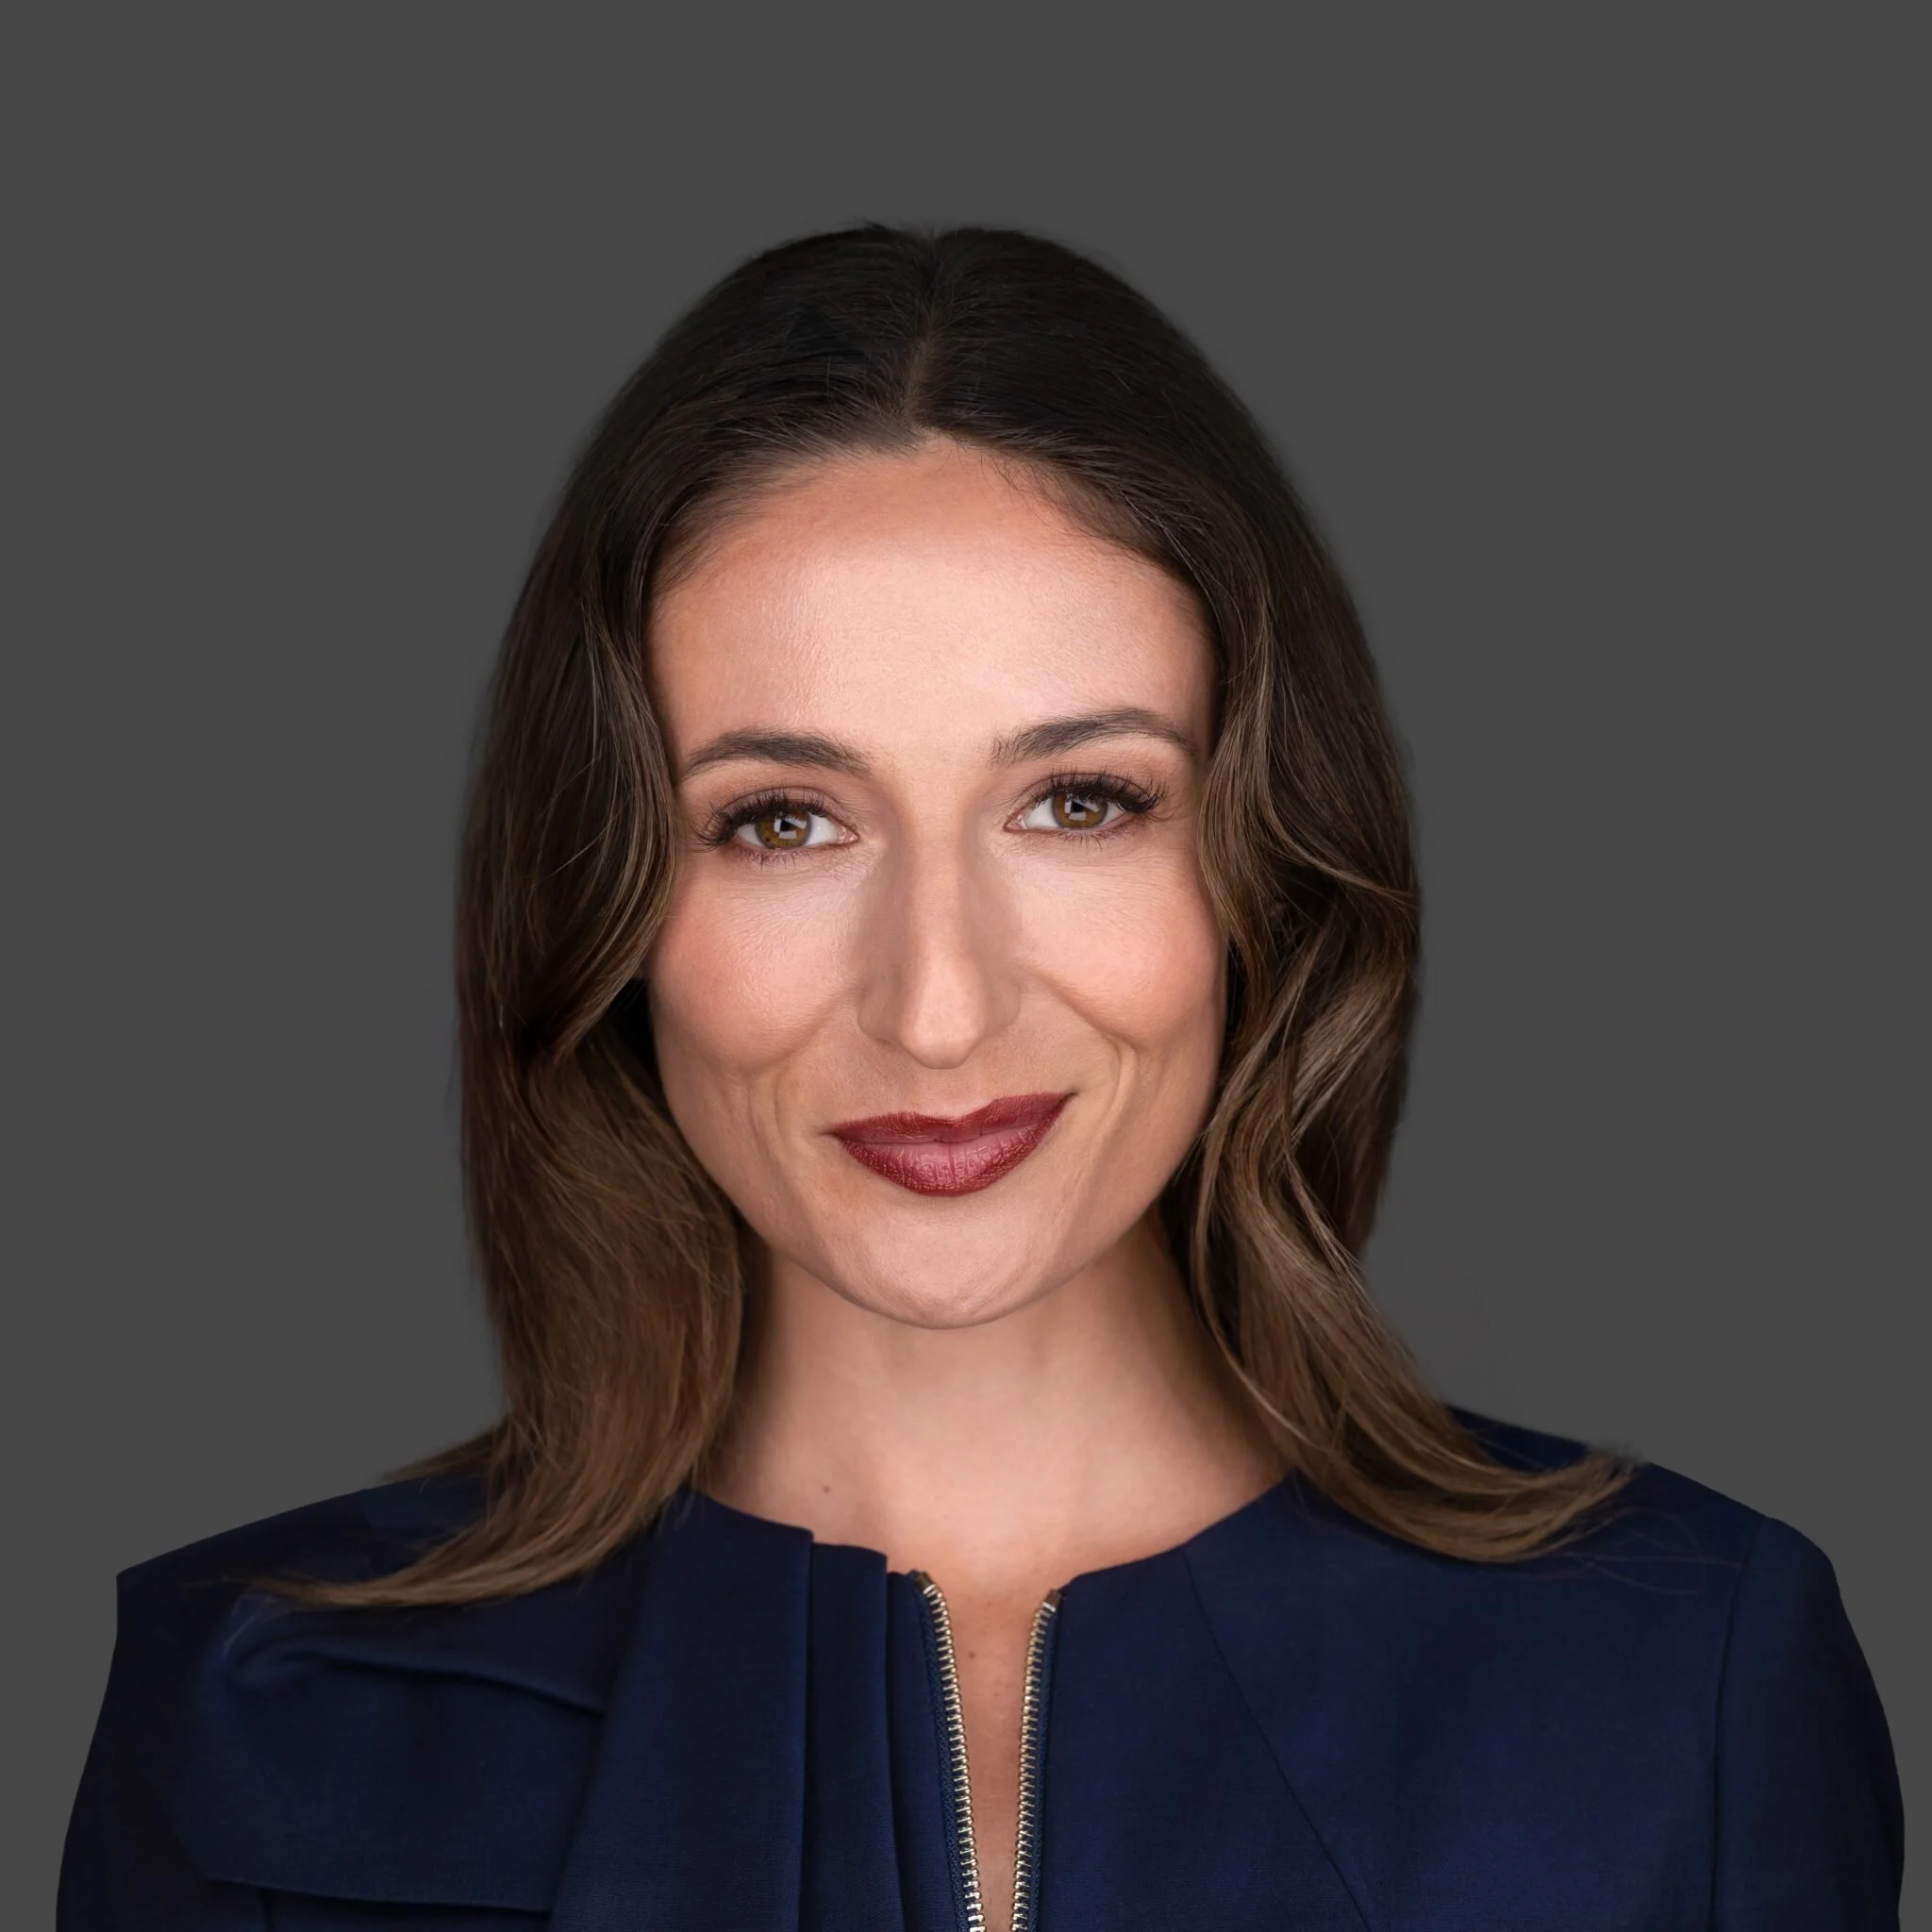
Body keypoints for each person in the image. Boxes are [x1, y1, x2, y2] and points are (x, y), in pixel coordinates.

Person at [58, 225, 1902, 1931]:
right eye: (783, 820)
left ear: (1263, 868)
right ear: (607, 901)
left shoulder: (1685, 1682)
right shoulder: (262, 1710)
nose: (936, 1005)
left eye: (1078, 802)